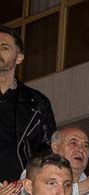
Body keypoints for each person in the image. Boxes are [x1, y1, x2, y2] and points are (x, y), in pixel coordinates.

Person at [0, 26, 55, 183]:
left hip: (20, 194)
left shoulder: (37, 102)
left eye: (4, 47)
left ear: (19, 58)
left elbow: (47, 152)